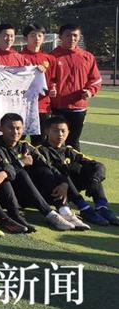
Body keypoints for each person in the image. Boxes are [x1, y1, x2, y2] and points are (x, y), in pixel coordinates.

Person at [0, 113, 80, 231]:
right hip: (5, 196)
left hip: (27, 194)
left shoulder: (26, 146)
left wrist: (64, 182)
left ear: (23, 129)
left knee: (44, 170)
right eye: (10, 128)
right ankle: (50, 215)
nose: (15, 132)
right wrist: (21, 163)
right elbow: (4, 171)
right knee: (21, 173)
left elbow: (48, 165)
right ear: (0, 129)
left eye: (18, 128)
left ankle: (64, 211)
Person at [37, 116, 117, 225]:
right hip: (50, 192)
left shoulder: (68, 150)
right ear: (46, 131)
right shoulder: (40, 150)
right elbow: (49, 171)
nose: (60, 134)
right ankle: (84, 208)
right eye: (56, 131)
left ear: (68, 132)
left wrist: (94, 180)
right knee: (68, 168)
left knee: (91, 170)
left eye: (63, 131)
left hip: (68, 191)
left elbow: (98, 165)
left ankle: (101, 206)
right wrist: (64, 182)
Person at [49, 23, 102, 151]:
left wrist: (90, 91)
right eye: (68, 35)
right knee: (54, 142)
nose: (72, 38)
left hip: (78, 108)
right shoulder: (51, 57)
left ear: (79, 37)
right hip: (57, 108)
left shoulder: (87, 57)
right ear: (60, 36)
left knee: (73, 141)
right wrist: (52, 87)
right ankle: (54, 168)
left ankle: (75, 169)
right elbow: (47, 79)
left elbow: (96, 79)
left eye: (75, 36)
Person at [19, 23, 57, 145]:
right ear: (26, 38)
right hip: (21, 106)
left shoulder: (49, 59)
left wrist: (52, 89)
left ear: (44, 38)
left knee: (39, 142)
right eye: (33, 35)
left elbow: (53, 79)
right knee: (17, 140)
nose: (37, 38)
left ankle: (39, 164)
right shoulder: (18, 57)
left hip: (42, 106)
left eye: (40, 35)